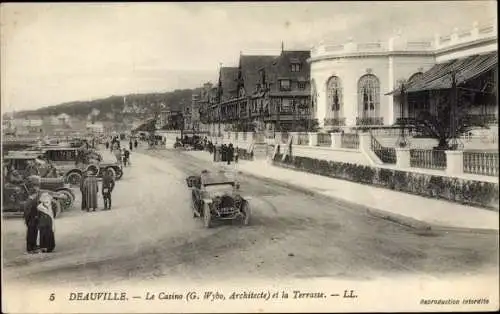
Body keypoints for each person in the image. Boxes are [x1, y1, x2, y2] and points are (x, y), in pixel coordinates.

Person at [24, 180, 41, 254]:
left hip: (33, 220)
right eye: (36, 194)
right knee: (31, 235)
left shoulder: (31, 201)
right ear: (33, 194)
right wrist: (31, 220)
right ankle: (30, 249)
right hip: (31, 221)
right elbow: (27, 213)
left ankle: (33, 246)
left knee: (34, 233)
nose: (36, 195)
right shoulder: (30, 202)